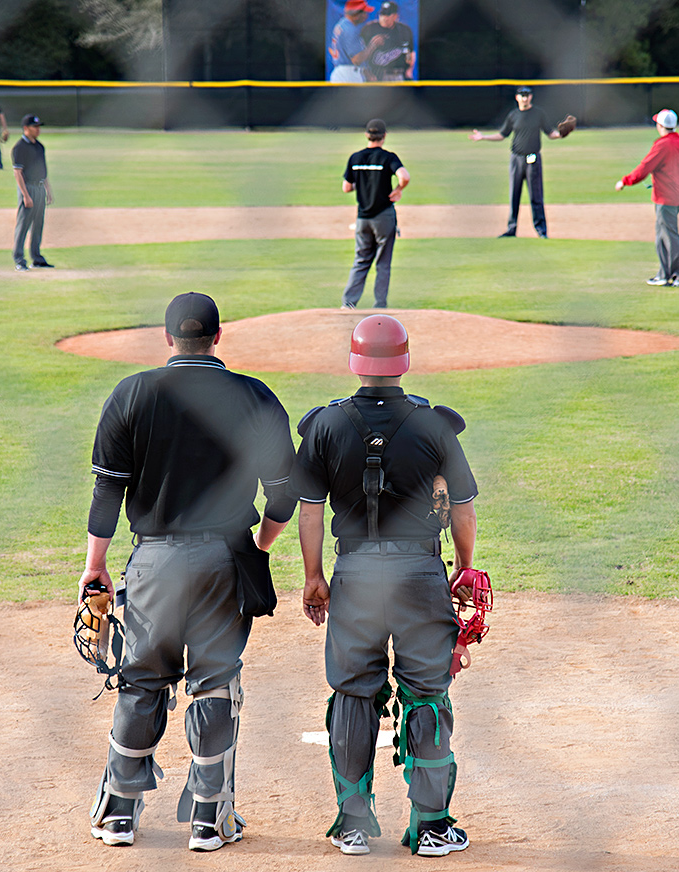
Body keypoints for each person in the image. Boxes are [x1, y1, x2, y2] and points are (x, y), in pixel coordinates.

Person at [81, 292, 297, 853]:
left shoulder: (133, 393)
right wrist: (260, 545)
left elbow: (108, 490)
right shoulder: (253, 396)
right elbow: (282, 495)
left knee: (142, 679)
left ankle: (119, 816)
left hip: (153, 561)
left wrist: (95, 566)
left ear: (167, 338)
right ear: (219, 338)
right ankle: (209, 819)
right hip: (225, 559)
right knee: (215, 682)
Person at [290, 314, 479, 857]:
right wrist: (464, 568)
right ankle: (433, 826)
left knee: (353, 691)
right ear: (404, 361)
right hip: (420, 572)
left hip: (355, 573)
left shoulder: (325, 425)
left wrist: (312, 577)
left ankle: (352, 824)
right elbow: (462, 507)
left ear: (355, 361)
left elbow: (309, 511)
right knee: (426, 691)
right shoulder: (433, 426)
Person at [469, 85, 570, 239]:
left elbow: (550, 133)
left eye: (527, 95)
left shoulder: (538, 114)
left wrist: (562, 133)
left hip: (532, 157)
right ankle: (512, 228)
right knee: (514, 194)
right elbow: (503, 135)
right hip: (516, 157)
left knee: (536, 195)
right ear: (517, 98)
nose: (525, 98)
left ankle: (541, 230)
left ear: (531, 97)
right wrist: (483, 137)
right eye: (522, 95)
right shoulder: (513, 115)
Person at [615, 108, 679, 287]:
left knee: (670, 235)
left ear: (660, 126)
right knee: (662, 234)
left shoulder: (662, 145)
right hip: (678, 194)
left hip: (666, 196)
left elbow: (644, 168)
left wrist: (625, 181)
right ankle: (664, 274)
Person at [340, 118, 410, 309]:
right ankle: (379, 305)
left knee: (361, 261)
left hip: (363, 218)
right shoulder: (388, 158)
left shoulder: (355, 158)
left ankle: (348, 304)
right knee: (383, 264)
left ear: (366, 136)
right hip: (384, 216)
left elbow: (346, 187)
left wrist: (363, 184)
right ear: (384, 136)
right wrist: (398, 189)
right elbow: (404, 176)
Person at [11, 113, 54, 271]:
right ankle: (19, 259)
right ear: (25, 128)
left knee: (38, 224)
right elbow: (18, 173)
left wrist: (48, 190)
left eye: (38, 127)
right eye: (34, 127)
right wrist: (25, 195)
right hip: (28, 187)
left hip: (40, 187)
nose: (37, 130)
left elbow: (43, 171)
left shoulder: (39, 146)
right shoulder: (19, 148)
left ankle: (36, 258)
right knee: (23, 224)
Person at [359, 1, 415, 81]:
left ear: (395, 16)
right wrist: (367, 73)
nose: (384, 18)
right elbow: (359, 54)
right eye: (382, 14)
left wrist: (409, 70)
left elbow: (410, 51)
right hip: (377, 74)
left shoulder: (404, 30)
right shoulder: (369, 29)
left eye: (388, 15)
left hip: (398, 74)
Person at [329, 0, 375, 83]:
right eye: (364, 13)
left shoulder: (342, 24)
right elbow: (357, 59)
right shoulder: (349, 29)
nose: (366, 16)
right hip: (349, 74)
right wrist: (372, 46)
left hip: (342, 72)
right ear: (356, 15)